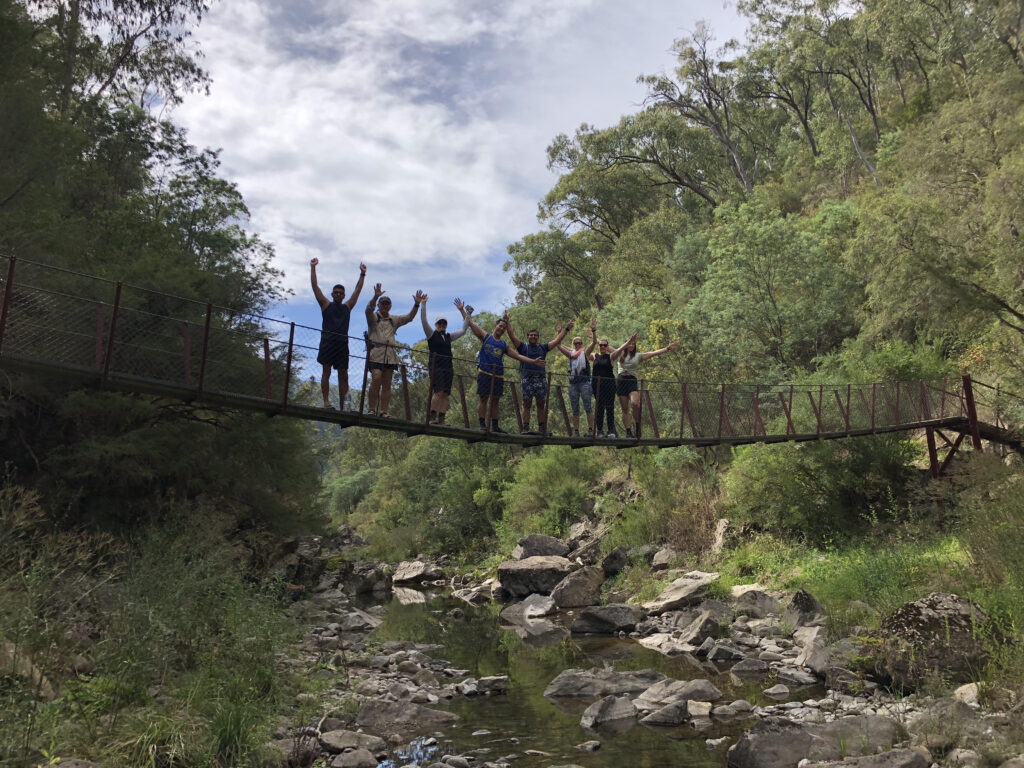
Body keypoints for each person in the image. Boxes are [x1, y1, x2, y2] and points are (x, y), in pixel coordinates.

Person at [466, 313, 546, 433]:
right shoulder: (486, 337)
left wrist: (533, 361)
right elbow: (471, 324)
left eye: (504, 327)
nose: (501, 328)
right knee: (483, 398)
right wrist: (464, 312)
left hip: (498, 375)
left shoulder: (504, 345)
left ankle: (495, 426)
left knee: (495, 401)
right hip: (485, 372)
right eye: (500, 326)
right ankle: (482, 425)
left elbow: (518, 356)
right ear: (495, 326)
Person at [310, 258, 366, 409]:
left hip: (342, 344)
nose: (338, 295)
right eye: (336, 293)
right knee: (326, 371)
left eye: (341, 293)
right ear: (332, 294)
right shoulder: (325, 305)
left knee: (344, 375)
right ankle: (327, 402)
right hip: (327, 342)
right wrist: (313, 268)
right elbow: (315, 286)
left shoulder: (347, 307)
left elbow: (357, 291)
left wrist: (362, 274)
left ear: (343, 295)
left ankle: (346, 405)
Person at [365, 284, 423, 417]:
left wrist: (416, 304)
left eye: (387, 304)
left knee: (387, 383)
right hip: (376, 353)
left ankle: (384, 411)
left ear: (390, 306)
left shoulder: (394, 320)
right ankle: (371, 409)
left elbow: (409, 318)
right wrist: (375, 297)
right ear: (379, 305)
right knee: (376, 378)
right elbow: (368, 309)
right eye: (383, 303)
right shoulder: (373, 318)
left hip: (390, 354)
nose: (385, 306)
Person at [506, 320, 571, 434]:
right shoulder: (523, 347)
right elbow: (512, 336)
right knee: (526, 403)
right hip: (527, 379)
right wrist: (507, 322)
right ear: (527, 337)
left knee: (541, 404)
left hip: (541, 379)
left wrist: (566, 329)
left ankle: (542, 428)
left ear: (538, 337)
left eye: (535, 335)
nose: (533, 337)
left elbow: (557, 341)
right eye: (531, 335)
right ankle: (525, 427)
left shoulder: (543, 348)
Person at [420, 295, 473, 424]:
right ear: (436, 324)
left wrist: (468, 314)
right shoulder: (431, 335)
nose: (442, 325)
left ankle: (441, 419)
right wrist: (423, 304)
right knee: (438, 391)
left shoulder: (449, 336)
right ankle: (431, 418)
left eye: (444, 323)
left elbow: (463, 330)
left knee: (445, 394)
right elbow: (423, 321)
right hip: (436, 366)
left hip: (448, 367)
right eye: (440, 323)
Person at [617, 336, 680, 438]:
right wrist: (594, 335)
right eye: (629, 343)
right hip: (621, 381)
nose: (631, 345)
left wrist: (667, 348)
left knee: (635, 403)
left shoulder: (638, 356)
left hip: (631, 380)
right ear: (626, 344)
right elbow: (605, 347)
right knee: (624, 409)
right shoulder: (619, 353)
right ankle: (628, 432)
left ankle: (637, 425)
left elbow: (653, 353)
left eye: (633, 344)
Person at [553, 318, 597, 436]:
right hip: (573, 383)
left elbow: (594, 343)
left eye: (579, 343)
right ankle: (576, 432)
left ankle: (591, 430)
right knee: (575, 407)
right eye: (575, 343)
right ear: (573, 345)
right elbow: (558, 344)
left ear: (582, 344)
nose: (577, 344)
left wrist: (593, 331)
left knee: (588, 405)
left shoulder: (585, 353)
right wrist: (559, 332)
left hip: (584, 383)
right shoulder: (570, 354)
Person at [590, 329, 634, 438]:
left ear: (607, 346)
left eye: (605, 345)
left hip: (609, 385)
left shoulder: (611, 356)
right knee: (599, 407)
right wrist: (594, 332)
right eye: (601, 345)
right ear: (598, 346)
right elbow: (583, 352)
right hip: (597, 385)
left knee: (610, 407)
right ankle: (599, 431)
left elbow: (620, 349)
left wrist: (629, 342)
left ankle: (611, 431)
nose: (603, 347)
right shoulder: (594, 356)